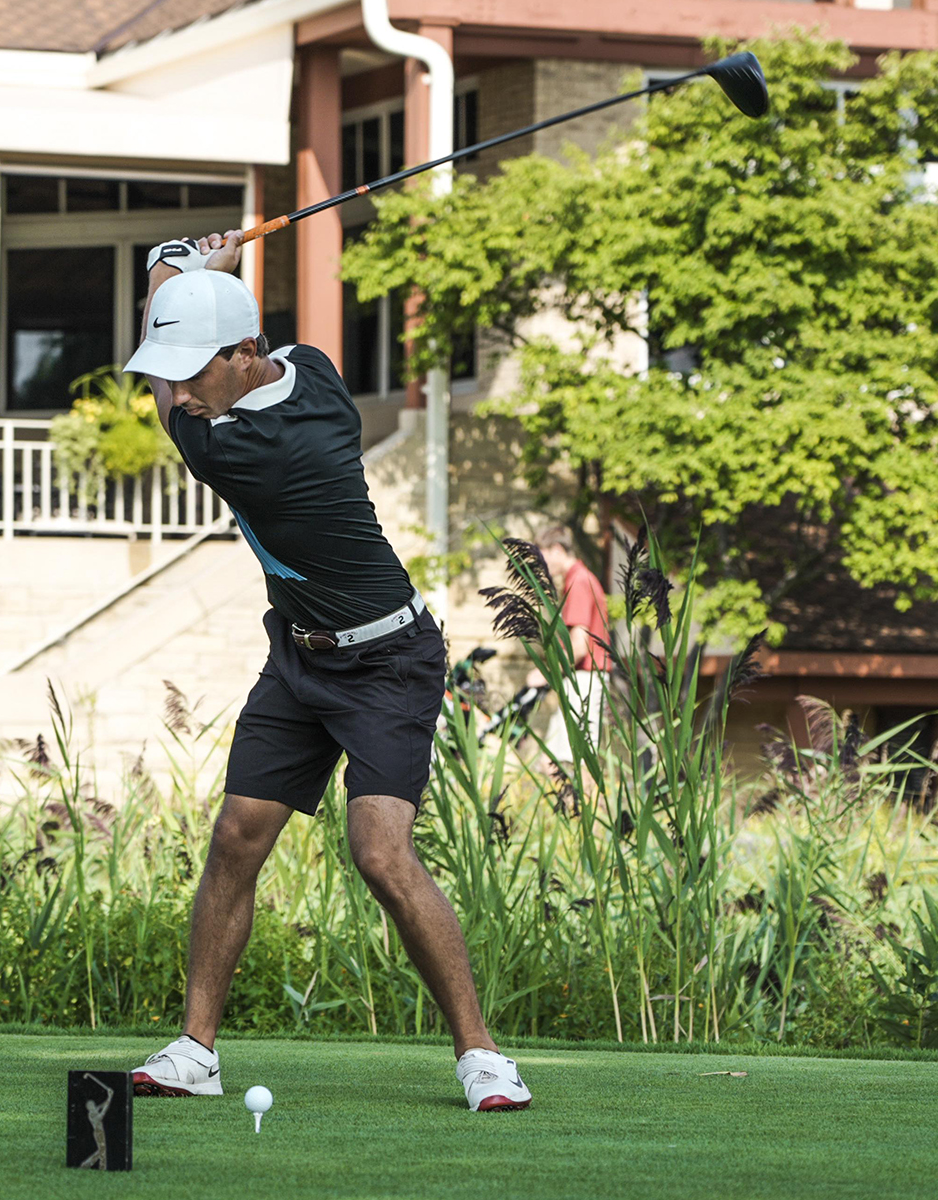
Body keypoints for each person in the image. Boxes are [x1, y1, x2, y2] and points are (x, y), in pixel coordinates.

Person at [120, 230, 532, 1113]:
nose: (182, 392)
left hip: (388, 660)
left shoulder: (241, 452)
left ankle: (483, 1056)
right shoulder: (314, 370)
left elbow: (164, 394)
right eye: (175, 373)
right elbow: (191, 348)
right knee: (237, 836)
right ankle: (195, 1051)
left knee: (380, 854)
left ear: (244, 354)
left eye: (194, 372)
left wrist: (178, 265)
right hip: (300, 654)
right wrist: (202, 282)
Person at [536, 525, 611, 759]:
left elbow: (579, 645)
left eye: (543, 557)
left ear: (557, 549)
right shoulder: (580, 578)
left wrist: (545, 673)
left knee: (572, 761)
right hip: (582, 680)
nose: (541, 566)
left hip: (584, 681)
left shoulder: (578, 581)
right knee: (555, 762)